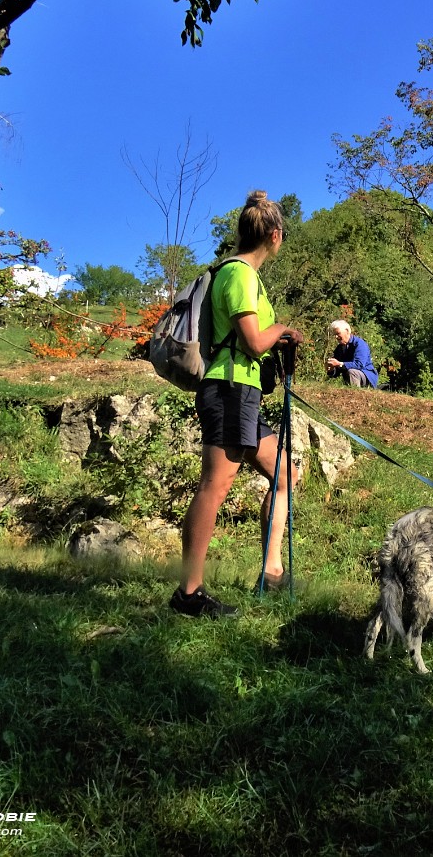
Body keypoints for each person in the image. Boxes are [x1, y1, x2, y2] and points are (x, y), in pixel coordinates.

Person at [170, 190, 306, 618]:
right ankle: (188, 594)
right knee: (215, 485)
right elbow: (252, 341)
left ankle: (271, 570)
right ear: (275, 235)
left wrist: (276, 343)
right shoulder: (241, 275)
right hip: (228, 390)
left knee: (285, 473)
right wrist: (282, 329)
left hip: (242, 391)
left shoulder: (245, 276)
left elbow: (251, 345)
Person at [326, 319, 379, 388]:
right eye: (335, 335)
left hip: (367, 376)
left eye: (338, 333)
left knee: (352, 372)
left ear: (347, 331)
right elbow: (337, 372)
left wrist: (339, 364)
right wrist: (331, 369)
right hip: (352, 377)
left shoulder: (360, 344)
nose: (336, 337)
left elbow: (359, 364)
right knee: (350, 372)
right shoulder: (339, 349)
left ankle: (355, 395)